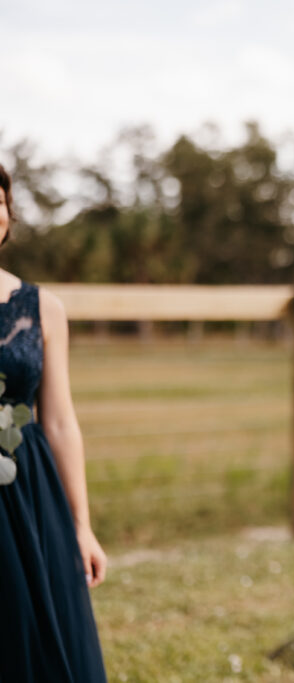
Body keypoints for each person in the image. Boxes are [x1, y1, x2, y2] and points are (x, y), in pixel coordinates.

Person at [0, 163, 108, 681]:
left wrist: (80, 527)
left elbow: (61, 420)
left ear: (8, 215)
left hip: (27, 490)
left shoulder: (42, 308)